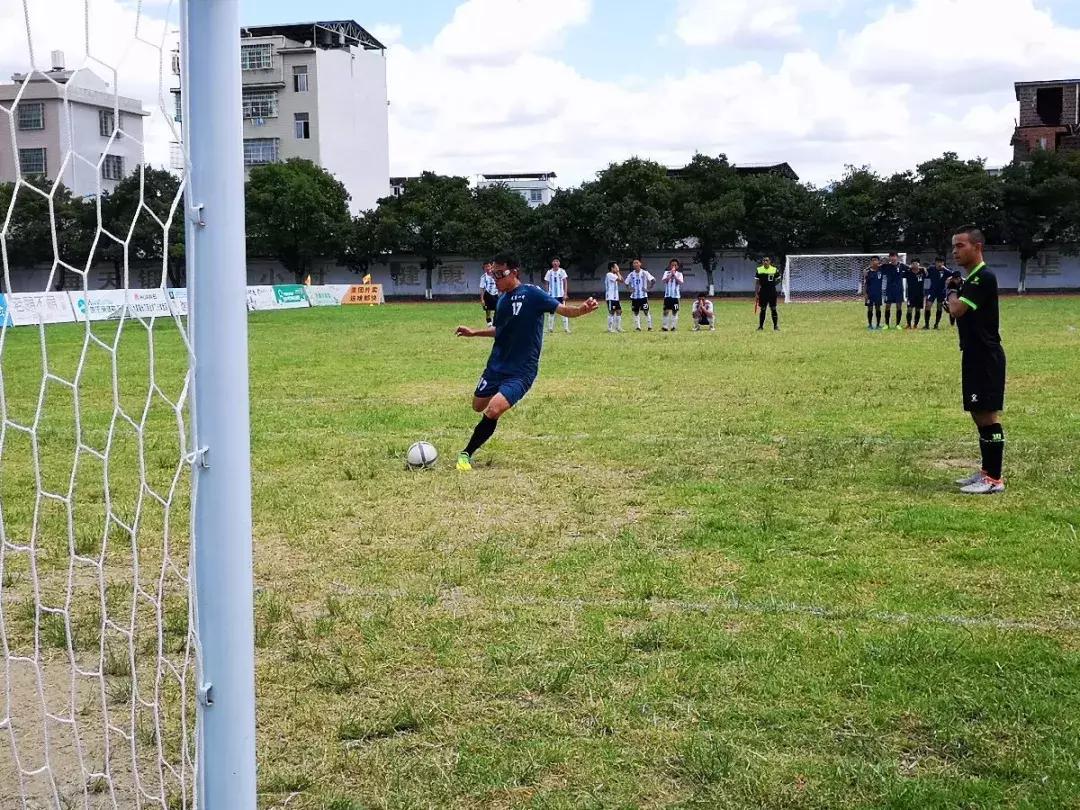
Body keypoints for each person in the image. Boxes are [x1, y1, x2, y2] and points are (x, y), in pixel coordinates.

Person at [454, 254, 598, 471]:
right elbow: (499, 330)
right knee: (478, 406)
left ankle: (466, 454)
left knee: (493, 410)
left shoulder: (532, 294)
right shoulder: (502, 301)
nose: (495, 279)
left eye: (499, 274)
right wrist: (474, 332)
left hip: (521, 371)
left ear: (514, 272)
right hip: (496, 365)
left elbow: (562, 309)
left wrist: (580, 310)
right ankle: (497, 395)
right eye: (493, 274)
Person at [946, 226, 1006, 494]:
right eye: (954, 246)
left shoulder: (983, 277)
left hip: (985, 355)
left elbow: (957, 309)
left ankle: (994, 479)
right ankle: (986, 471)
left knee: (987, 414)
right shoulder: (972, 279)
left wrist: (950, 291)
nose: (955, 251)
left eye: (960, 246)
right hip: (973, 353)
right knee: (977, 412)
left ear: (977, 247)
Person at [624, 258, 655, 331]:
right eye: (634, 263)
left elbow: (653, 280)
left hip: (643, 296)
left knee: (646, 311)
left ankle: (650, 327)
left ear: (640, 264)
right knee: (636, 312)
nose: (635, 264)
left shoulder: (645, 273)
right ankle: (638, 327)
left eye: (637, 263)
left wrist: (648, 289)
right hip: (634, 297)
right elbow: (626, 283)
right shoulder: (631, 274)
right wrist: (630, 290)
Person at [543, 257, 571, 334]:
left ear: (559, 263)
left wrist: (565, 293)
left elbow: (565, 282)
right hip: (552, 296)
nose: (555, 263)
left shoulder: (562, 271)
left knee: (564, 311)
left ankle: (566, 329)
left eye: (557, 261)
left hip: (560, 295)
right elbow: (546, 283)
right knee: (551, 312)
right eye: (554, 261)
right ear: (552, 263)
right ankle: (550, 329)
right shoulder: (549, 272)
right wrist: (547, 293)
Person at [755, 256, 780, 331]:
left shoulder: (774, 269)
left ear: (769, 262)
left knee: (773, 309)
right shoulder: (759, 270)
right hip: (763, 292)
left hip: (772, 291)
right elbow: (757, 283)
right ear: (762, 262)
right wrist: (756, 293)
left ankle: (775, 326)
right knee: (763, 309)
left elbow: (779, 279)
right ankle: (760, 327)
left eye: (767, 260)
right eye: (764, 260)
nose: (765, 262)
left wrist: (772, 284)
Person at [882, 251, 906, 330]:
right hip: (889, 289)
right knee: (887, 306)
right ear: (889, 258)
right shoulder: (886, 266)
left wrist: (922, 268)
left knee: (899, 307)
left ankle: (898, 324)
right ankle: (886, 324)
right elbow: (875, 267)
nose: (893, 258)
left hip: (898, 290)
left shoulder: (902, 265)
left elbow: (912, 268)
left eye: (894, 256)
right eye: (891, 256)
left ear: (897, 257)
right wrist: (866, 270)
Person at [925, 257, 951, 329]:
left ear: (943, 263)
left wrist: (945, 269)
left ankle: (936, 324)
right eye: (938, 262)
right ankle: (926, 325)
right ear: (935, 262)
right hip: (932, 290)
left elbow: (953, 274)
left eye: (941, 262)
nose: (939, 264)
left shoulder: (946, 271)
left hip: (941, 291)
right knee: (928, 306)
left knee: (939, 307)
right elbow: (924, 272)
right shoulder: (931, 269)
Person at [661, 259, 684, 331]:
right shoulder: (666, 273)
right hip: (667, 295)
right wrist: (671, 274)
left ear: (677, 266)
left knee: (675, 311)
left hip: (675, 296)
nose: (673, 266)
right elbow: (664, 281)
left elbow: (680, 282)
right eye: (672, 265)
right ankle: (665, 326)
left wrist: (675, 275)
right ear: (670, 265)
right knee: (666, 311)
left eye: (675, 265)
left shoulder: (679, 274)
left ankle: (673, 326)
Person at [904, 259, 927, 329]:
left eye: (916, 263)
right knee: (909, 309)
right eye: (913, 264)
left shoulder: (923, 271)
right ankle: (908, 325)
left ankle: (915, 325)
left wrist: (924, 268)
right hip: (911, 295)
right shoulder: (908, 272)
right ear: (911, 265)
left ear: (919, 264)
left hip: (920, 294)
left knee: (918, 310)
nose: (915, 265)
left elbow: (928, 273)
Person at [863, 256, 884, 330]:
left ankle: (878, 325)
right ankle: (870, 325)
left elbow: (887, 264)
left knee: (878, 309)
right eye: (873, 260)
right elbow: (865, 283)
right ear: (871, 262)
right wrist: (865, 294)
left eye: (876, 260)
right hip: (869, 294)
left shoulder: (881, 270)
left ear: (878, 261)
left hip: (878, 293)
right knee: (870, 309)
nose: (874, 262)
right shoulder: (867, 271)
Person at [604, 261, 624, 332]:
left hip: (616, 297)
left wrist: (617, 272)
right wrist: (618, 272)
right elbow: (620, 280)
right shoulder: (609, 274)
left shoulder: (614, 275)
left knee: (619, 311)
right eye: (616, 267)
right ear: (612, 268)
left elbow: (622, 280)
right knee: (611, 312)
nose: (617, 268)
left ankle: (618, 327)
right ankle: (610, 328)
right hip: (610, 297)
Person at [478, 260, 498, 325]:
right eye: (485, 267)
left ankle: (495, 322)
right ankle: (489, 323)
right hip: (488, 294)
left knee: (497, 309)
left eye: (488, 266)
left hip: (496, 294)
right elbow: (482, 288)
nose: (487, 268)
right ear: (483, 268)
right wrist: (482, 299)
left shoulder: (497, 274)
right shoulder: (483, 277)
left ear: (491, 266)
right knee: (488, 310)